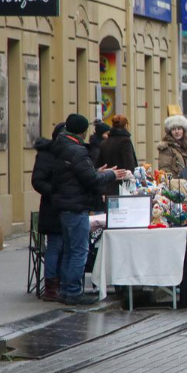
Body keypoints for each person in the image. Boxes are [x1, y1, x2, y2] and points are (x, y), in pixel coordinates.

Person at [49, 114, 129, 305]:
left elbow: (78, 174)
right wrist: (110, 174)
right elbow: (90, 180)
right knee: (79, 251)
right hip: (76, 206)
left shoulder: (59, 147)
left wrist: (95, 172)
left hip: (64, 205)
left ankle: (66, 290)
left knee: (69, 250)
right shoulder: (77, 150)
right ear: (82, 132)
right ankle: (74, 292)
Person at [31, 124, 69, 302]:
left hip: (66, 205)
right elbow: (38, 181)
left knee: (65, 247)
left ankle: (61, 283)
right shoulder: (47, 155)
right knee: (55, 246)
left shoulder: (70, 153)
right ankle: (51, 287)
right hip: (53, 207)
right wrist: (56, 192)